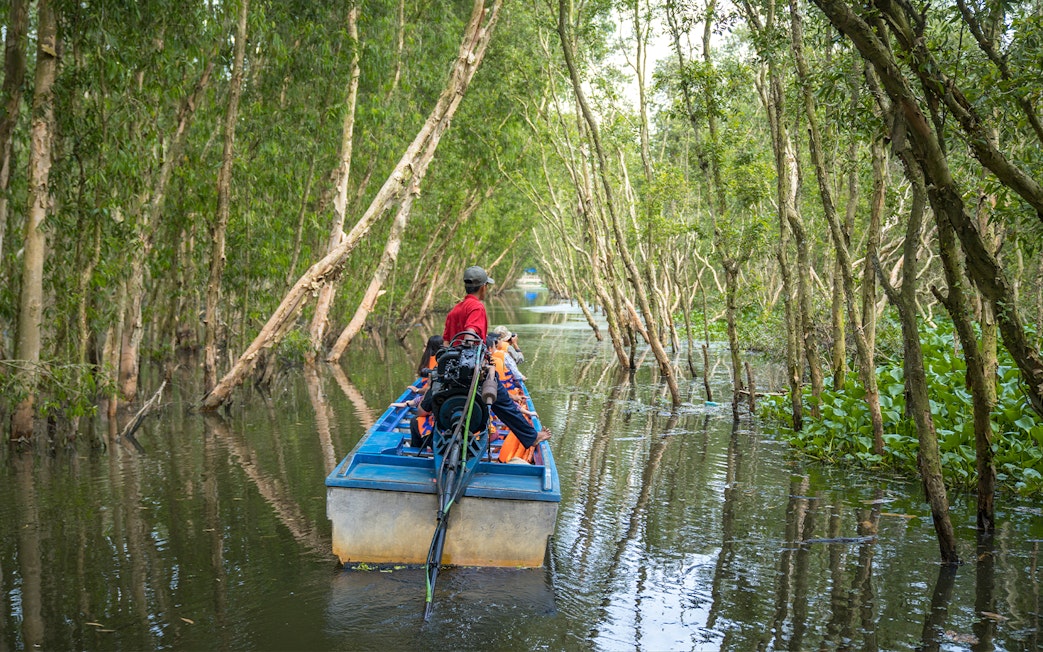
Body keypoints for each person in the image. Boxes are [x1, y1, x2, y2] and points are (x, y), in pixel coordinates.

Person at [442, 266, 550, 452]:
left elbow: (445, 344)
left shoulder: (455, 310)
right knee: (503, 402)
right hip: (472, 370)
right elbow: (471, 333)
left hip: (452, 371)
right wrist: (477, 358)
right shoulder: (476, 306)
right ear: (483, 287)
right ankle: (531, 437)